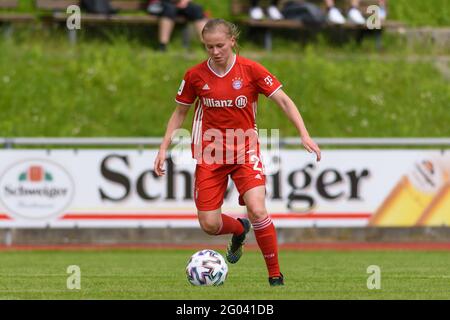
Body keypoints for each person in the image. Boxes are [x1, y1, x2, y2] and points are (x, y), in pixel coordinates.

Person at [154, 19, 321, 286]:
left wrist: (304, 133)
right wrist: (163, 148)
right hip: (210, 156)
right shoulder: (195, 75)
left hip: (245, 151)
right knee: (209, 225)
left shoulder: (251, 70)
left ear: (232, 41)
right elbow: (180, 113)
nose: (215, 51)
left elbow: (284, 101)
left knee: (257, 209)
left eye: (220, 45)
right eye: (209, 47)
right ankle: (239, 229)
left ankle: (275, 276)